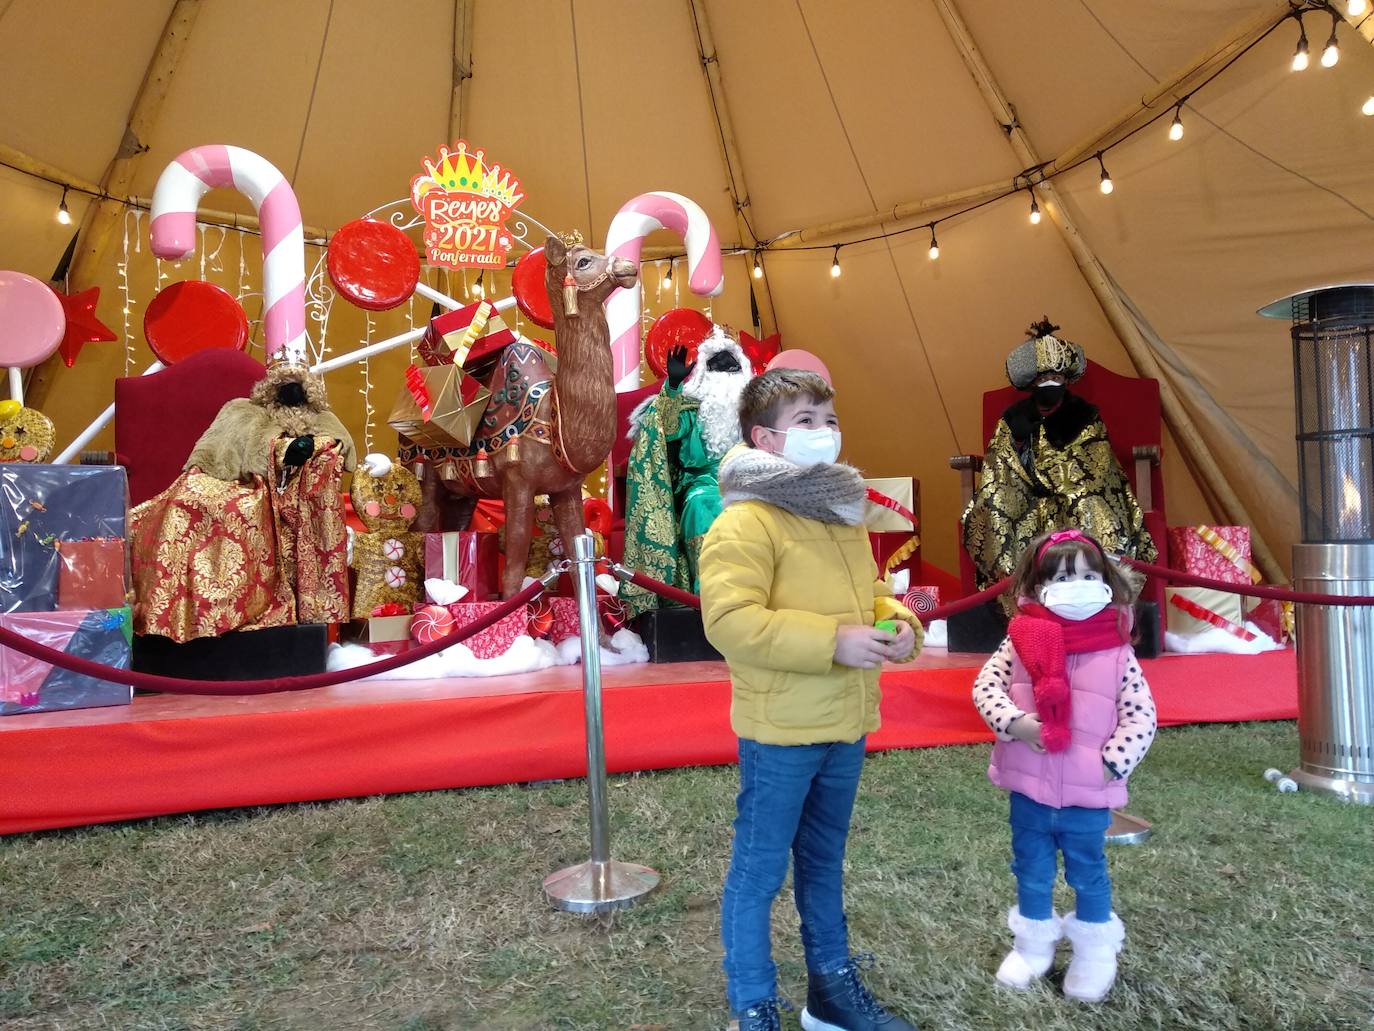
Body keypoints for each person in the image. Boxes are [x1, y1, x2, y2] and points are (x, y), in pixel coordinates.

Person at [700, 368, 923, 1031]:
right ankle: (753, 1002)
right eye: (806, 421)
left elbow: (869, 594)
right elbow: (731, 621)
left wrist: (894, 621)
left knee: (823, 863)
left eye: (828, 419)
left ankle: (829, 990)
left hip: (845, 721)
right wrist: (833, 640)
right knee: (758, 871)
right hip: (781, 731)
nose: (824, 433)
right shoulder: (745, 522)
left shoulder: (838, 512)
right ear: (763, 438)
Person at [971, 528, 1157, 1003]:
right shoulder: (1019, 643)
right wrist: (1016, 724)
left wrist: (1110, 765)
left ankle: (1095, 952)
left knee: (1087, 871)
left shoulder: (1117, 650)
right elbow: (985, 688)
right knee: (1030, 869)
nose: (1078, 585)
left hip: (1086, 791)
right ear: (1036, 587)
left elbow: (1141, 714)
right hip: (1028, 787)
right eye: (1062, 576)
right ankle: (1033, 944)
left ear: (1107, 581)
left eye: (1089, 574)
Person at [962, 318, 1158, 609]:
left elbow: (1097, 464)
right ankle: (1019, 598)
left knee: (1088, 504)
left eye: (1055, 378)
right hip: (1024, 495)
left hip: (1075, 492)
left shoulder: (1085, 416)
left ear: (1066, 379)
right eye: (1042, 380)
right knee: (992, 504)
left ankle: (1095, 598)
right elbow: (998, 461)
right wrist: (1018, 449)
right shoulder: (1013, 419)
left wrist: (1061, 487)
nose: (1049, 384)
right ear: (1031, 383)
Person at [623, 327, 752, 618]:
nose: (724, 375)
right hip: (702, 483)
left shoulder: (757, 411)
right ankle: (707, 594)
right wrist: (672, 387)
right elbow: (666, 430)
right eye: (716, 366)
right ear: (704, 372)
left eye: (730, 366)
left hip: (750, 482)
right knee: (703, 503)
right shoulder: (690, 409)